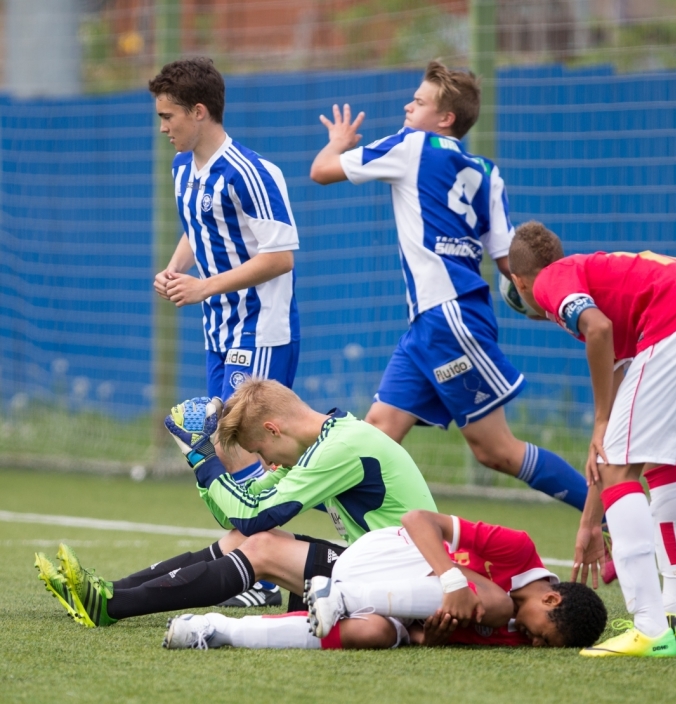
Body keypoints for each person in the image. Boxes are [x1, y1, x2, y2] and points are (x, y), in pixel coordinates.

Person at [307, 60, 587, 511]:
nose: (408, 106)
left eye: (418, 102)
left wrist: (338, 142)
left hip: (449, 315)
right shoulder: (487, 172)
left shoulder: (411, 144)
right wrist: (547, 305)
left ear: (445, 118)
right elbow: (509, 265)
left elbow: (321, 170)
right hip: (434, 321)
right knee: (378, 432)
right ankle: (336, 519)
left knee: (495, 450)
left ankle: (606, 513)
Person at [507, 222, 676, 658]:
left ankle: (649, 627)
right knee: (658, 459)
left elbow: (596, 328)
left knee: (621, 465)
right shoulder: (597, 278)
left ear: (519, 281)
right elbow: (616, 422)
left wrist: (600, 421)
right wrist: (589, 522)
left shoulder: (549, 281)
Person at [33, 380, 437, 628]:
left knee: (263, 546)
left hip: (406, 579)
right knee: (240, 540)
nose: (266, 460)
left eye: (259, 449)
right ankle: (105, 592)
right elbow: (239, 515)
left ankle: (112, 605)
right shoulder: (323, 443)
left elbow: (254, 516)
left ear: (273, 429)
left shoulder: (342, 447)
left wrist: (203, 459)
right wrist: (202, 465)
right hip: (375, 565)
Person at [150, 57, 303, 606]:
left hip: (260, 329)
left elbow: (281, 256)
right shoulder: (183, 168)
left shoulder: (251, 172)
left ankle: (263, 572)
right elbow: (198, 229)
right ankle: (261, 561)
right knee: (228, 441)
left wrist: (205, 287)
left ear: (199, 111)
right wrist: (176, 269)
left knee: (236, 442)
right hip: (220, 330)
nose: (162, 127)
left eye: (168, 116)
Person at [163, 510, 607, 650]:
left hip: (381, 603)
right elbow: (417, 520)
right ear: (551, 600)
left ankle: (214, 630)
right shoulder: (518, 550)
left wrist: (430, 639)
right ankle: (340, 597)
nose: (534, 644)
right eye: (545, 638)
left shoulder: (514, 636)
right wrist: (452, 579)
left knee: (372, 634)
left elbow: (417, 634)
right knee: (496, 602)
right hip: (381, 556)